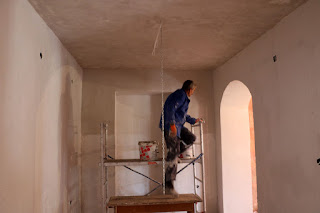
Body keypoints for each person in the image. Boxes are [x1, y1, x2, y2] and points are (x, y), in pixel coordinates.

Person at [159, 80, 202, 196]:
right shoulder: (180, 95)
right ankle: (168, 185)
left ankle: (176, 154)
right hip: (171, 127)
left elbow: (183, 115)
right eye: (193, 90)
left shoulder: (183, 98)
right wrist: (172, 125)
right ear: (189, 89)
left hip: (178, 126)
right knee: (172, 155)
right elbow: (170, 108)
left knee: (191, 138)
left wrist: (194, 120)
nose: (193, 92)